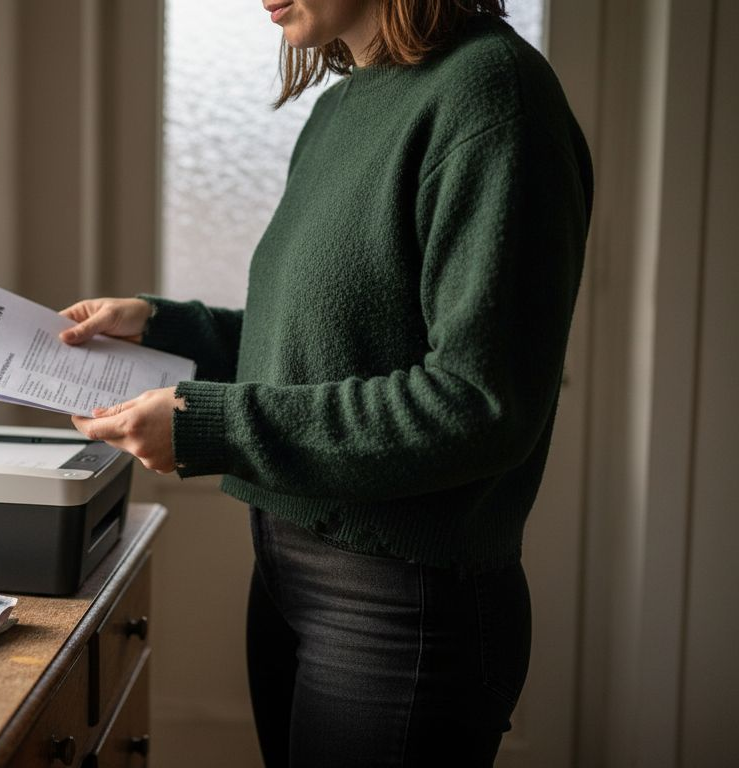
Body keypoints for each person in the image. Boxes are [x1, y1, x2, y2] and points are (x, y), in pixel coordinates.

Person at [59, 0, 592, 765]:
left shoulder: (492, 93)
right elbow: (323, 346)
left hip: (402, 599)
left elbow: (476, 403)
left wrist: (210, 425)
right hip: (287, 567)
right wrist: (162, 327)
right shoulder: (339, 108)